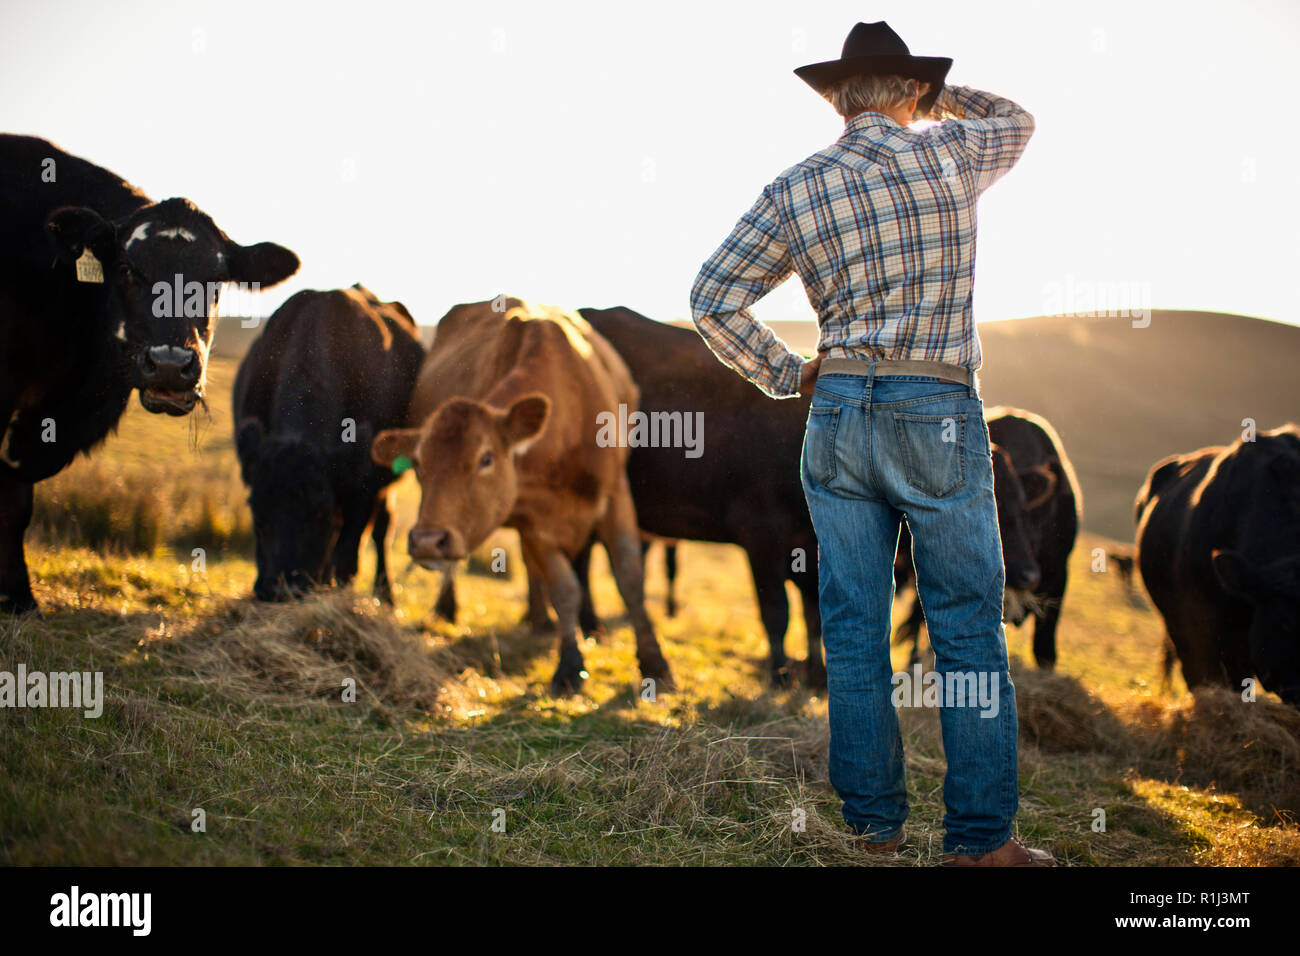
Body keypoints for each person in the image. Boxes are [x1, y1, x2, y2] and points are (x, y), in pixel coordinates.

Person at [689, 21, 1052, 866]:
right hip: (936, 402)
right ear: (911, 92)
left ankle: (874, 836)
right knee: (965, 628)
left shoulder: (796, 186)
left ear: (838, 98)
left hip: (839, 408)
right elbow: (1018, 118)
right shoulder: (952, 154)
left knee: (851, 626)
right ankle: (980, 845)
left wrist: (785, 373)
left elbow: (712, 296)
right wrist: (940, 99)